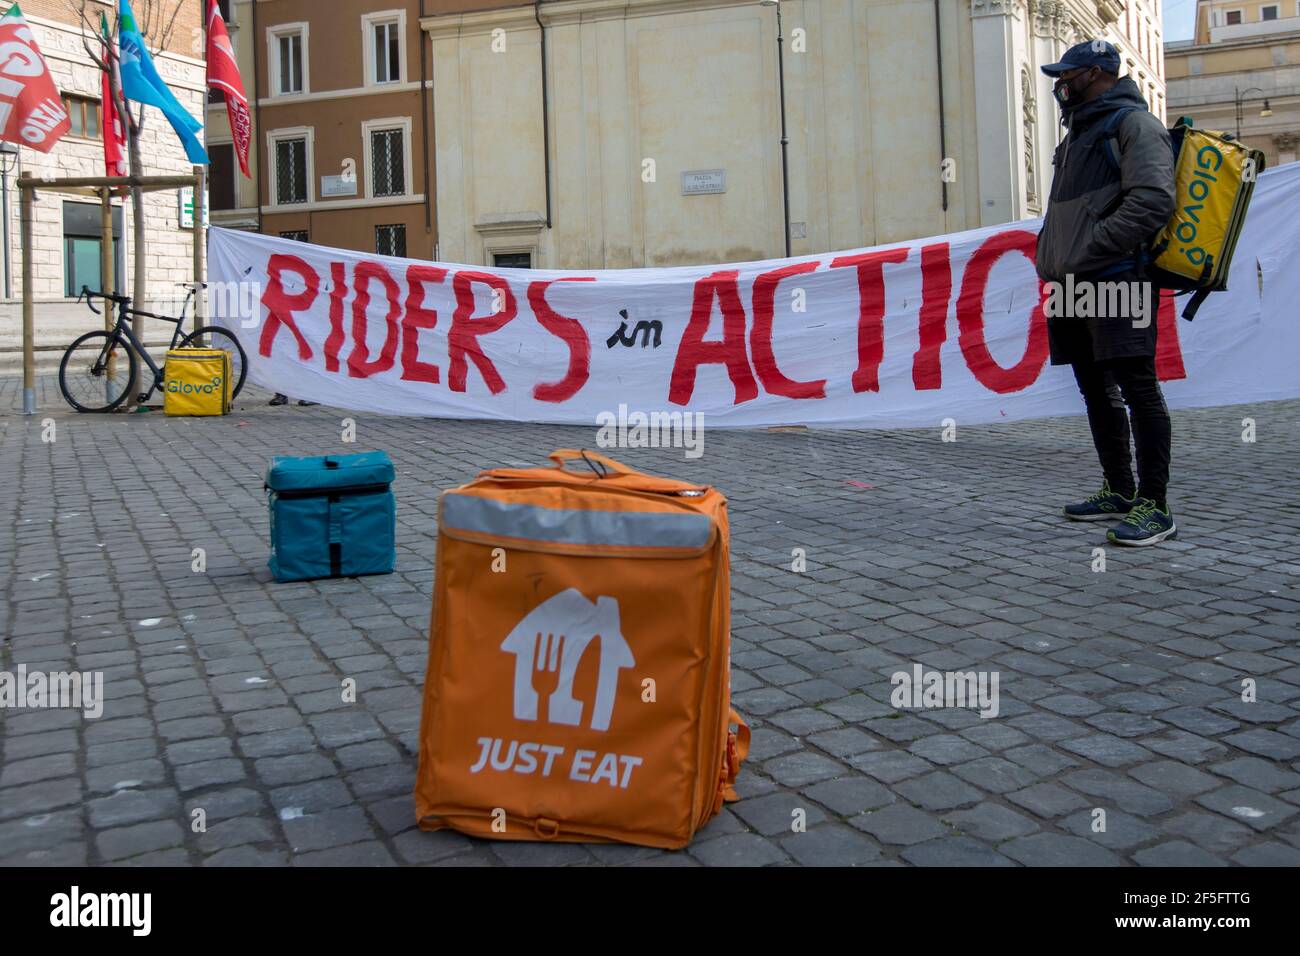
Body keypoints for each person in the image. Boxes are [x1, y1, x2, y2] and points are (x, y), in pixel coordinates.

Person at [1036, 40, 1178, 546]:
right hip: (1071, 283)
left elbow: (1154, 200)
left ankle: (1155, 505)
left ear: (1095, 74)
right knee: (1094, 389)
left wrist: (1092, 247)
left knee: (1138, 388)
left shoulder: (1133, 125)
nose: (1060, 84)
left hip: (1117, 276)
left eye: (1066, 75)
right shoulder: (1077, 133)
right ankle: (1119, 489)